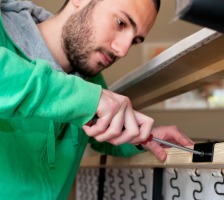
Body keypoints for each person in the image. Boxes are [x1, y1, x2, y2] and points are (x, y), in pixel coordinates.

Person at [0, 0, 194, 199]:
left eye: (134, 41)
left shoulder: (93, 82)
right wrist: (85, 99)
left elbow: (101, 134)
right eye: (121, 23)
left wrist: (141, 137)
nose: (123, 50)